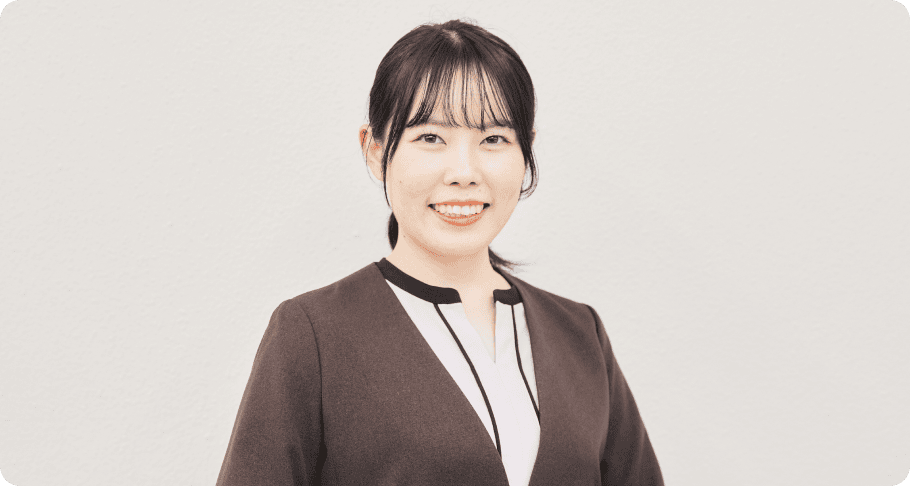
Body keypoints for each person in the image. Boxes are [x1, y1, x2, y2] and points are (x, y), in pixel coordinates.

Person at [216, 19, 663, 486]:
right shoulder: (312, 334)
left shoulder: (580, 333)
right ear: (375, 150)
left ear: (526, 150)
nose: (464, 172)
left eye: (494, 139)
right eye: (430, 138)